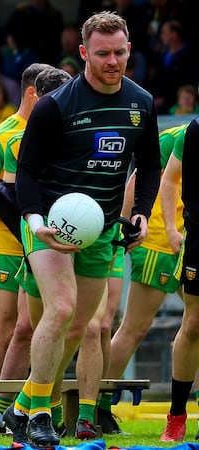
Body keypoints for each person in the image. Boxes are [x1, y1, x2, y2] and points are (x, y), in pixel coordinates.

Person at [4, 12, 159, 446]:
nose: (113, 61)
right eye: (103, 53)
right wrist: (35, 222)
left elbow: (149, 166)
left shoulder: (141, 102)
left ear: (129, 49)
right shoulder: (56, 105)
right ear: (83, 53)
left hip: (102, 230)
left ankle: (21, 404)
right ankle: (39, 415)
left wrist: (142, 211)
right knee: (61, 308)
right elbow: (27, 170)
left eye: (120, 52)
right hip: (49, 224)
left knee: (79, 327)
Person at [0, 62, 52, 432]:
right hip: (5, 243)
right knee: (4, 332)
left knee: (31, 328)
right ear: (33, 92)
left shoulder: (53, 132)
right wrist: (25, 217)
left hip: (44, 243)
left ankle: (16, 411)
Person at [96, 123, 187, 436]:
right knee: (135, 327)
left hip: (188, 237)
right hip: (159, 238)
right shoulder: (177, 137)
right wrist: (122, 231)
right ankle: (98, 405)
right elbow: (137, 181)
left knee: (195, 324)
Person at [157, 118, 198, 442]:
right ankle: (177, 416)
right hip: (198, 238)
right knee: (194, 323)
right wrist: (171, 227)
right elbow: (169, 178)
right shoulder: (194, 131)